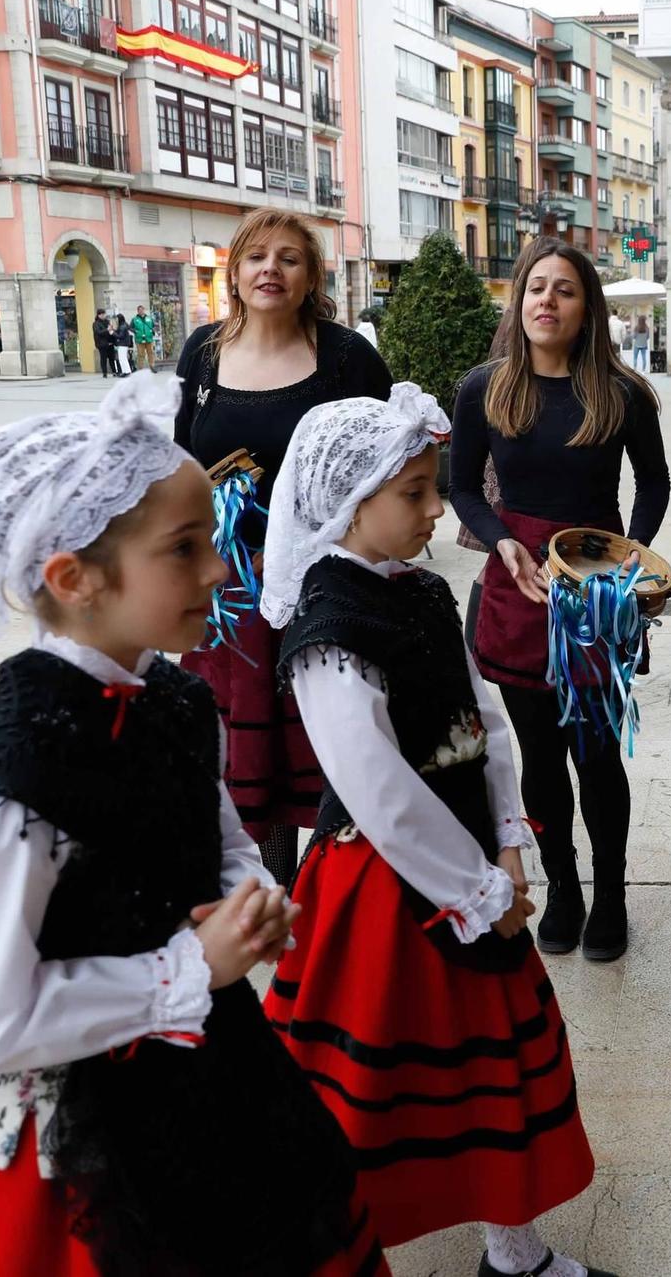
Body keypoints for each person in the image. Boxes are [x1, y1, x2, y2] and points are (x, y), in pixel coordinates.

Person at [0, 374, 384, 1277]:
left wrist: (247, 897)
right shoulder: (12, 781)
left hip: (211, 1070)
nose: (218, 570)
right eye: (184, 549)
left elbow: (219, 834)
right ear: (74, 578)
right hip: (76, 1137)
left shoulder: (176, 698)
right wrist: (188, 967)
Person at [258, 385, 612, 1277]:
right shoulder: (328, 626)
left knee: (490, 1073)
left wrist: (507, 841)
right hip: (387, 888)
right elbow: (378, 789)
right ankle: (336, 1248)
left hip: (469, 863)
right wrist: (478, 890)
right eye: (412, 492)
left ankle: (514, 1252)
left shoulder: (418, 592)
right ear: (350, 502)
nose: (432, 509)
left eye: (431, 487)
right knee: (380, 1086)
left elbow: (483, 719)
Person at [450, 237, 670, 963]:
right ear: (519, 300)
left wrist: (632, 562)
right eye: (536, 286)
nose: (547, 299)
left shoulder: (621, 392)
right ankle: (565, 888)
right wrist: (499, 540)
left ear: (588, 308)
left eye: (565, 289)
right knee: (540, 757)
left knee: (598, 753)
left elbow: (654, 483)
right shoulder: (485, 385)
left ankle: (612, 893)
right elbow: (460, 485)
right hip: (518, 585)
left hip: (594, 592)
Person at [174, 206, 392, 883]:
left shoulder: (348, 358)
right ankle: (271, 889)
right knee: (246, 755)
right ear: (234, 273)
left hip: (322, 589)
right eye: (257, 257)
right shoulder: (201, 354)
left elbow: (385, 475)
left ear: (311, 277)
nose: (272, 268)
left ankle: (334, 893)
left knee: (332, 744)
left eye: (289, 258)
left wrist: (299, 553)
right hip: (226, 594)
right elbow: (177, 464)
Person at [131, 304, 155, 370]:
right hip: (139, 339)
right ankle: (140, 368)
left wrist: (152, 331)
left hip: (149, 338)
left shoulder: (149, 318)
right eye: (140, 310)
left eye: (142, 310)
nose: (141, 311)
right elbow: (130, 327)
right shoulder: (134, 319)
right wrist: (135, 332)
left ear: (144, 310)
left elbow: (153, 326)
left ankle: (152, 366)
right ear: (137, 311)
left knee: (150, 353)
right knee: (141, 354)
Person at [91, 309, 114, 377]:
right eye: (102, 314)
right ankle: (104, 373)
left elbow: (111, 330)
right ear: (99, 315)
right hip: (102, 344)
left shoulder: (107, 321)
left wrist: (112, 329)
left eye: (104, 314)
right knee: (103, 358)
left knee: (112, 358)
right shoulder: (96, 323)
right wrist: (107, 329)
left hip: (110, 342)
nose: (104, 315)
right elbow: (98, 332)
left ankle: (114, 371)